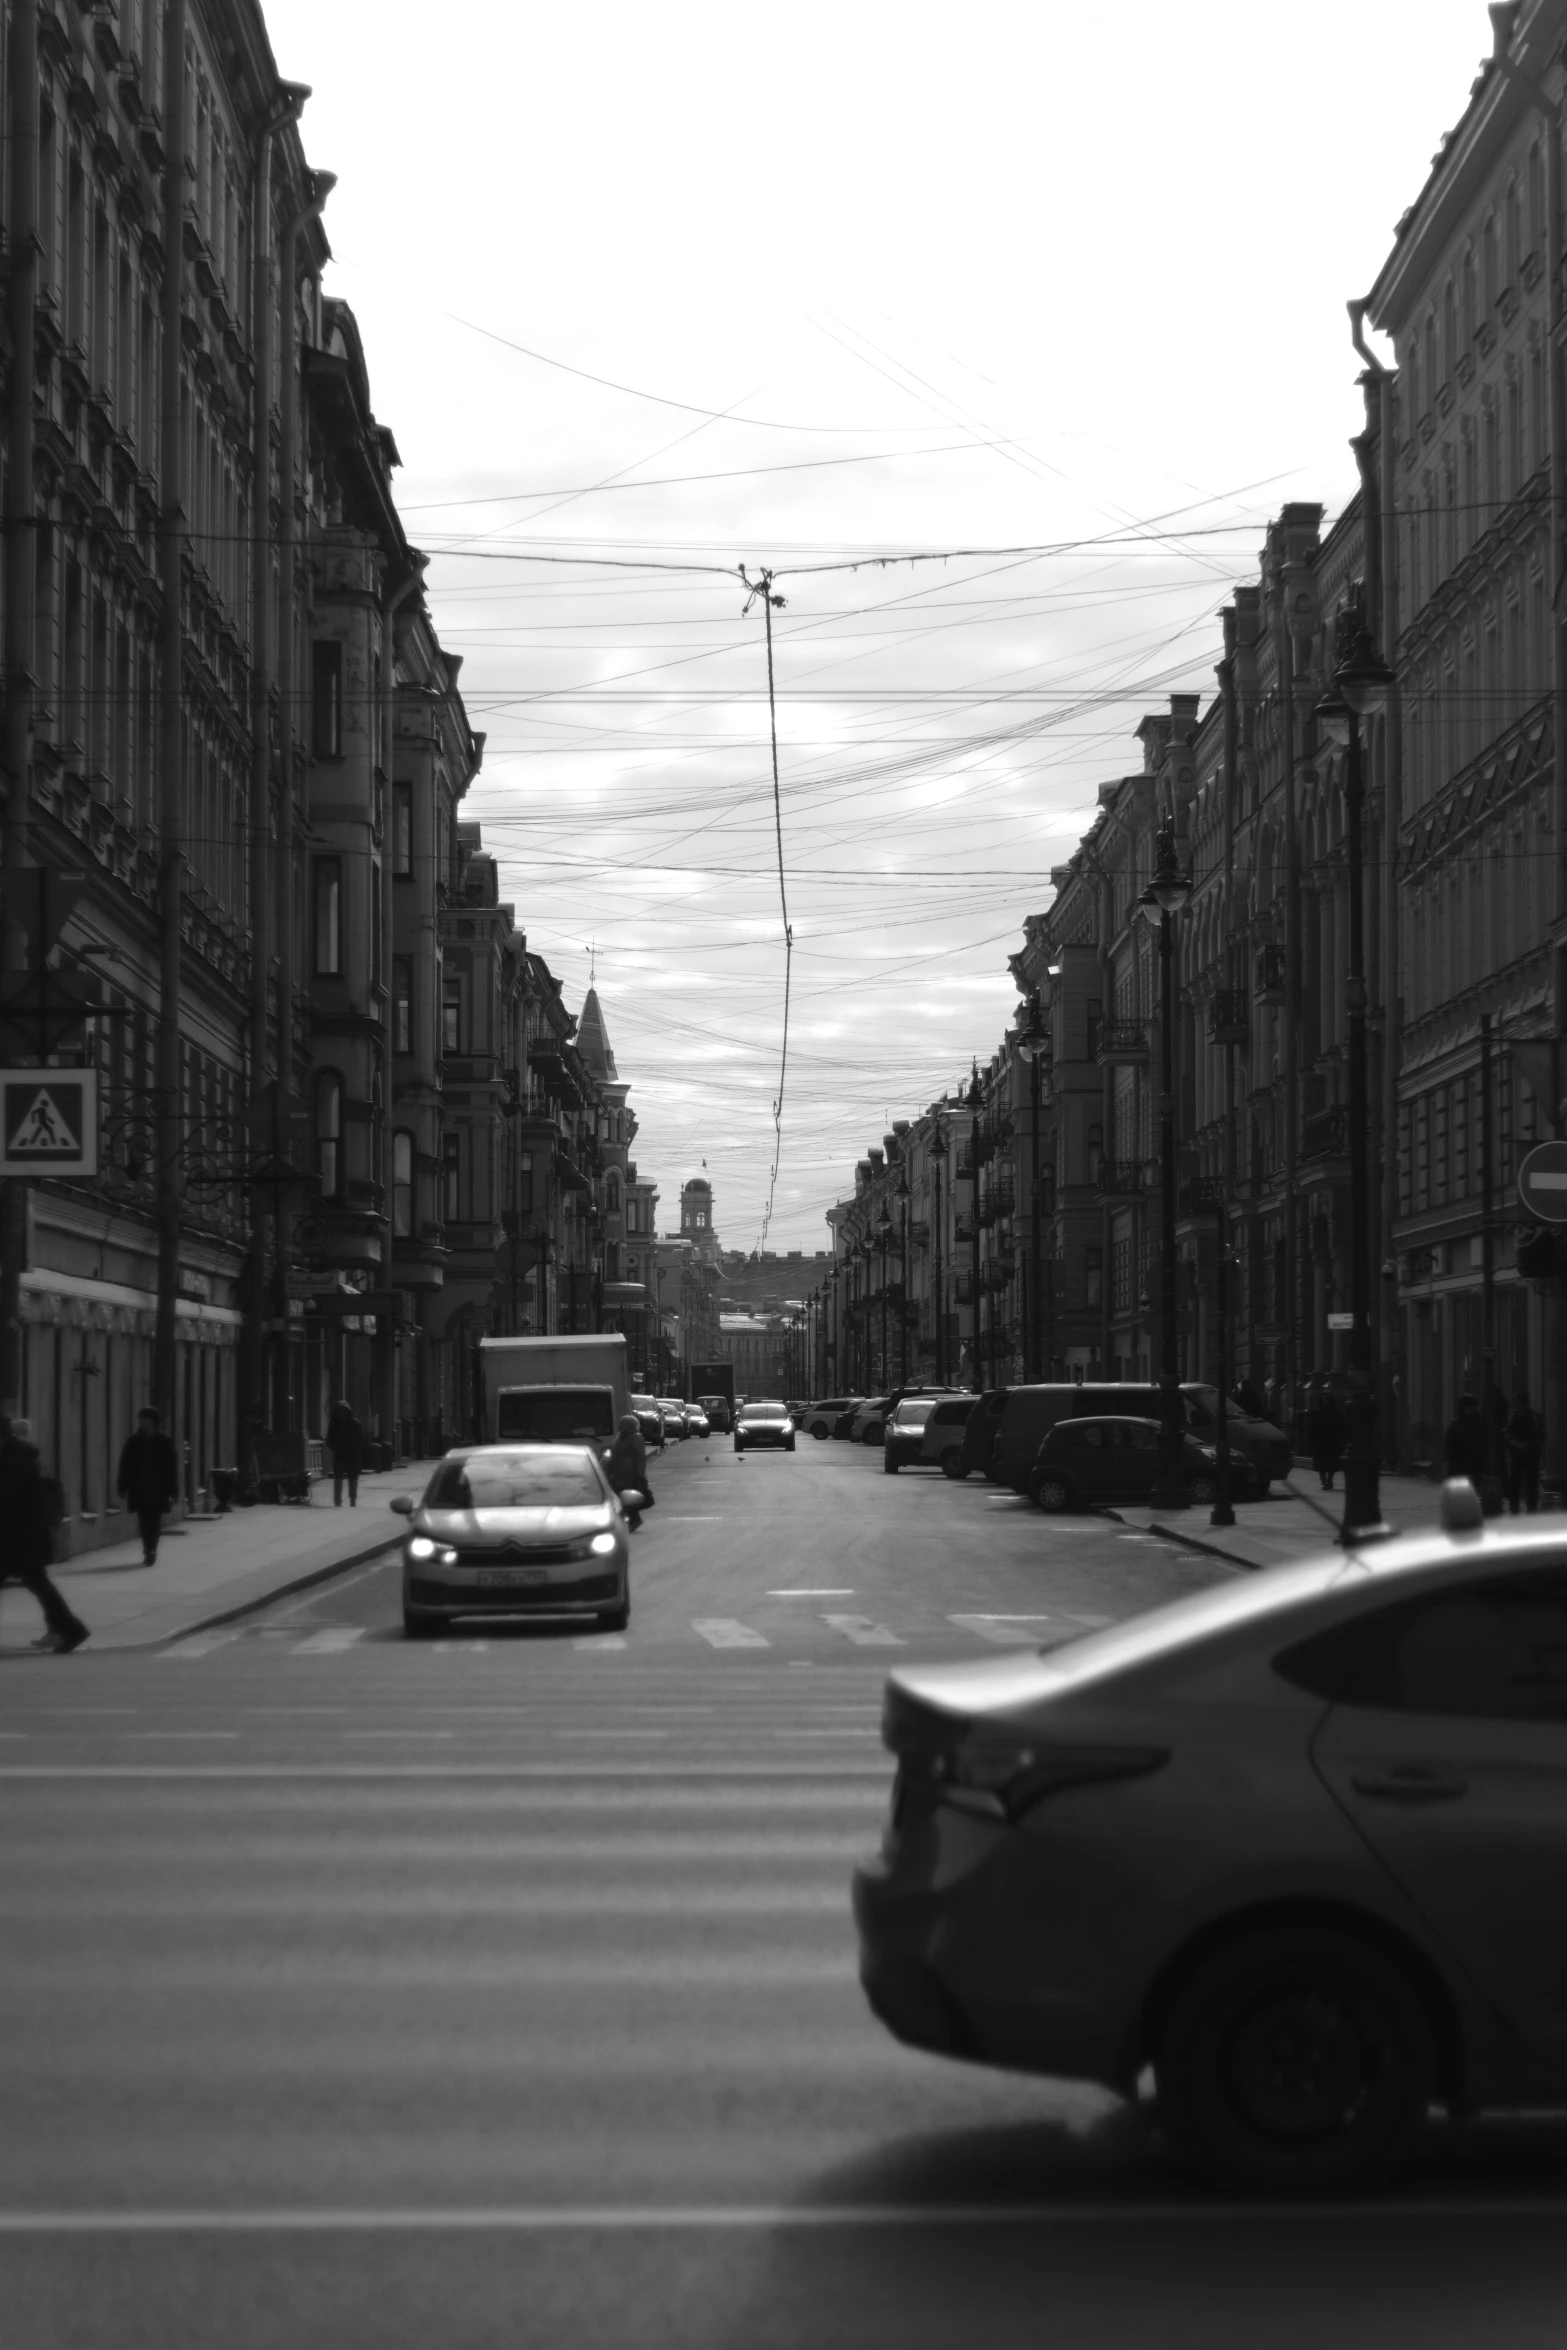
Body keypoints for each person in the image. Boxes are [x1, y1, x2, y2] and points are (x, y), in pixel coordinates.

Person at [0, 1415, 88, 1653]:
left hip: (19, 1536)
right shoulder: (14, 1454)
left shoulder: (15, 1457)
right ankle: (72, 1629)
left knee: (39, 1583)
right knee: (39, 1584)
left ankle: (71, 1629)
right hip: (18, 1535)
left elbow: (6, 1494)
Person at [117, 1405, 180, 1564]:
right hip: (139, 1488)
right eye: (141, 1420)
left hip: (158, 1489)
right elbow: (125, 1465)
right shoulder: (133, 1442)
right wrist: (122, 1486)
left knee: (154, 1520)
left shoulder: (164, 1442)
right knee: (144, 1520)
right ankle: (148, 1548)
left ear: (153, 1422)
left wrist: (173, 1490)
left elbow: (171, 1468)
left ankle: (151, 1549)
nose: (142, 1423)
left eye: (145, 1420)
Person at [605, 1411, 652, 1532]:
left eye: (622, 1424)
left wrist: (640, 1476)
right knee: (619, 1498)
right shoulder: (619, 1438)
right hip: (617, 1475)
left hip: (630, 1476)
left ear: (629, 1425)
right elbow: (613, 1456)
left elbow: (641, 1458)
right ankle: (630, 1520)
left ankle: (633, 1520)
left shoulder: (636, 1438)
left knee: (626, 1498)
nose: (619, 1426)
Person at [1505, 1390, 1546, 1516]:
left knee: (1525, 1481)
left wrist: (1517, 1443)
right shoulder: (1531, 1416)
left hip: (1526, 1452)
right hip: (1523, 1452)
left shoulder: (1516, 1416)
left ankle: (1522, 1505)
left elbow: (1541, 1433)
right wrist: (1516, 1443)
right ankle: (1522, 1505)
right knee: (1521, 1481)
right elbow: (1541, 1433)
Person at [1305, 1378, 1346, 1492]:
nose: (1325, 1402)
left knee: (1331, 1463)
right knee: (1321, 1463)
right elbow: (1312, 1428)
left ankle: (1329, 1479)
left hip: (1332, 1441)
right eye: (1323, 1400)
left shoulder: (1335, 1412)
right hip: (1320, 1442)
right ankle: (1324, 1481)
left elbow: (1341, 1425)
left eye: (1326, 1399)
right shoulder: (1317, 1413)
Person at [325, 1397, 364, 1507]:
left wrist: (355, 1449)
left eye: (344, 1411)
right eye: (339, 1411)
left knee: (353, 1479)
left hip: (352, 1456)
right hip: (339, 1455)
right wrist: (336, 1448)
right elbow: (329, 1440)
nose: (342, 1413)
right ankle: (337, 1501)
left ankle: (353, 1500)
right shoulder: (334, 1425)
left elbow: (361, 1440)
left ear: (348, 1411)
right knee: (338, 1478)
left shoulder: (355, 1424)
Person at [1444, 1392, 1490, 1485]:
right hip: (1459, 1464)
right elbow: (1448, 1443)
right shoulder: (1456, 1424)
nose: (1470, 1409)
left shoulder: (1479, 1423)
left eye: (1472, 1407)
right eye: (1468, 1407)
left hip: (1475, 1464)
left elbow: (1484, 1442)